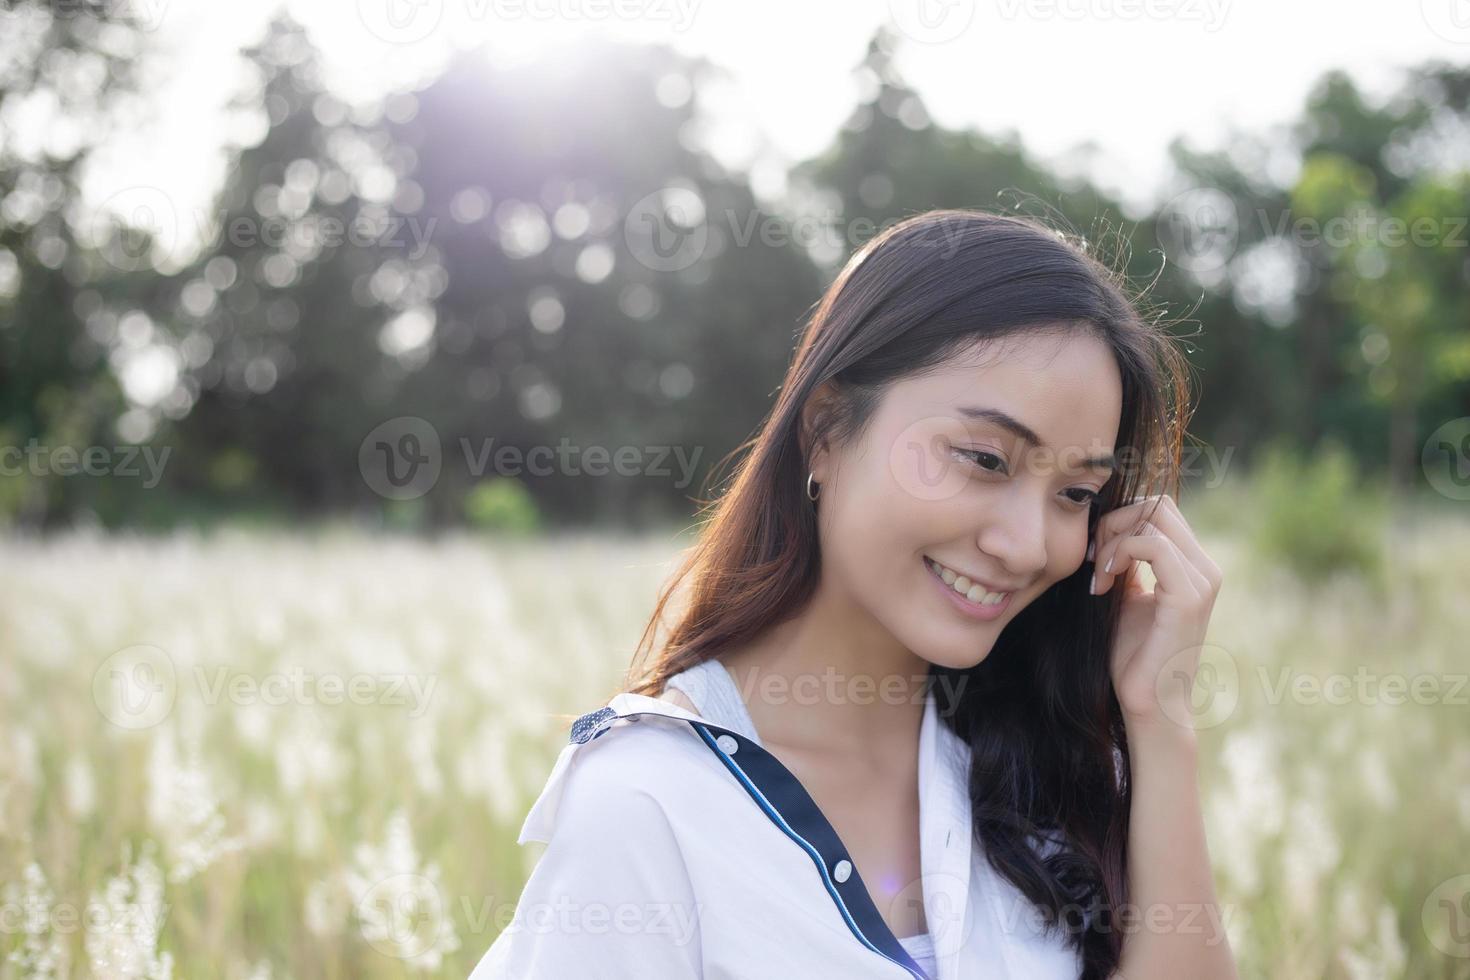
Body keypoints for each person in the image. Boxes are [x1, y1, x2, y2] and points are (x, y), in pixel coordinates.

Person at [468, 209, 1237, 979]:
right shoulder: (650, 802)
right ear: (827, 429)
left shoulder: (1050, 771)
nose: (1027, 544)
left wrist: (1159, 722)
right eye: (985, 459)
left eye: (1075, 493)